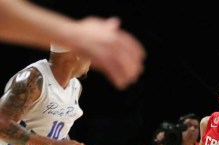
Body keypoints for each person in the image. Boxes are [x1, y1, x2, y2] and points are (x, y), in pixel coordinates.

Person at [0, 0, 144, 90]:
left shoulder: (75, 87)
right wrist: (73, 35)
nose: (91, 63)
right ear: (73, 57)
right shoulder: (33, 78)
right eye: (87, 55)